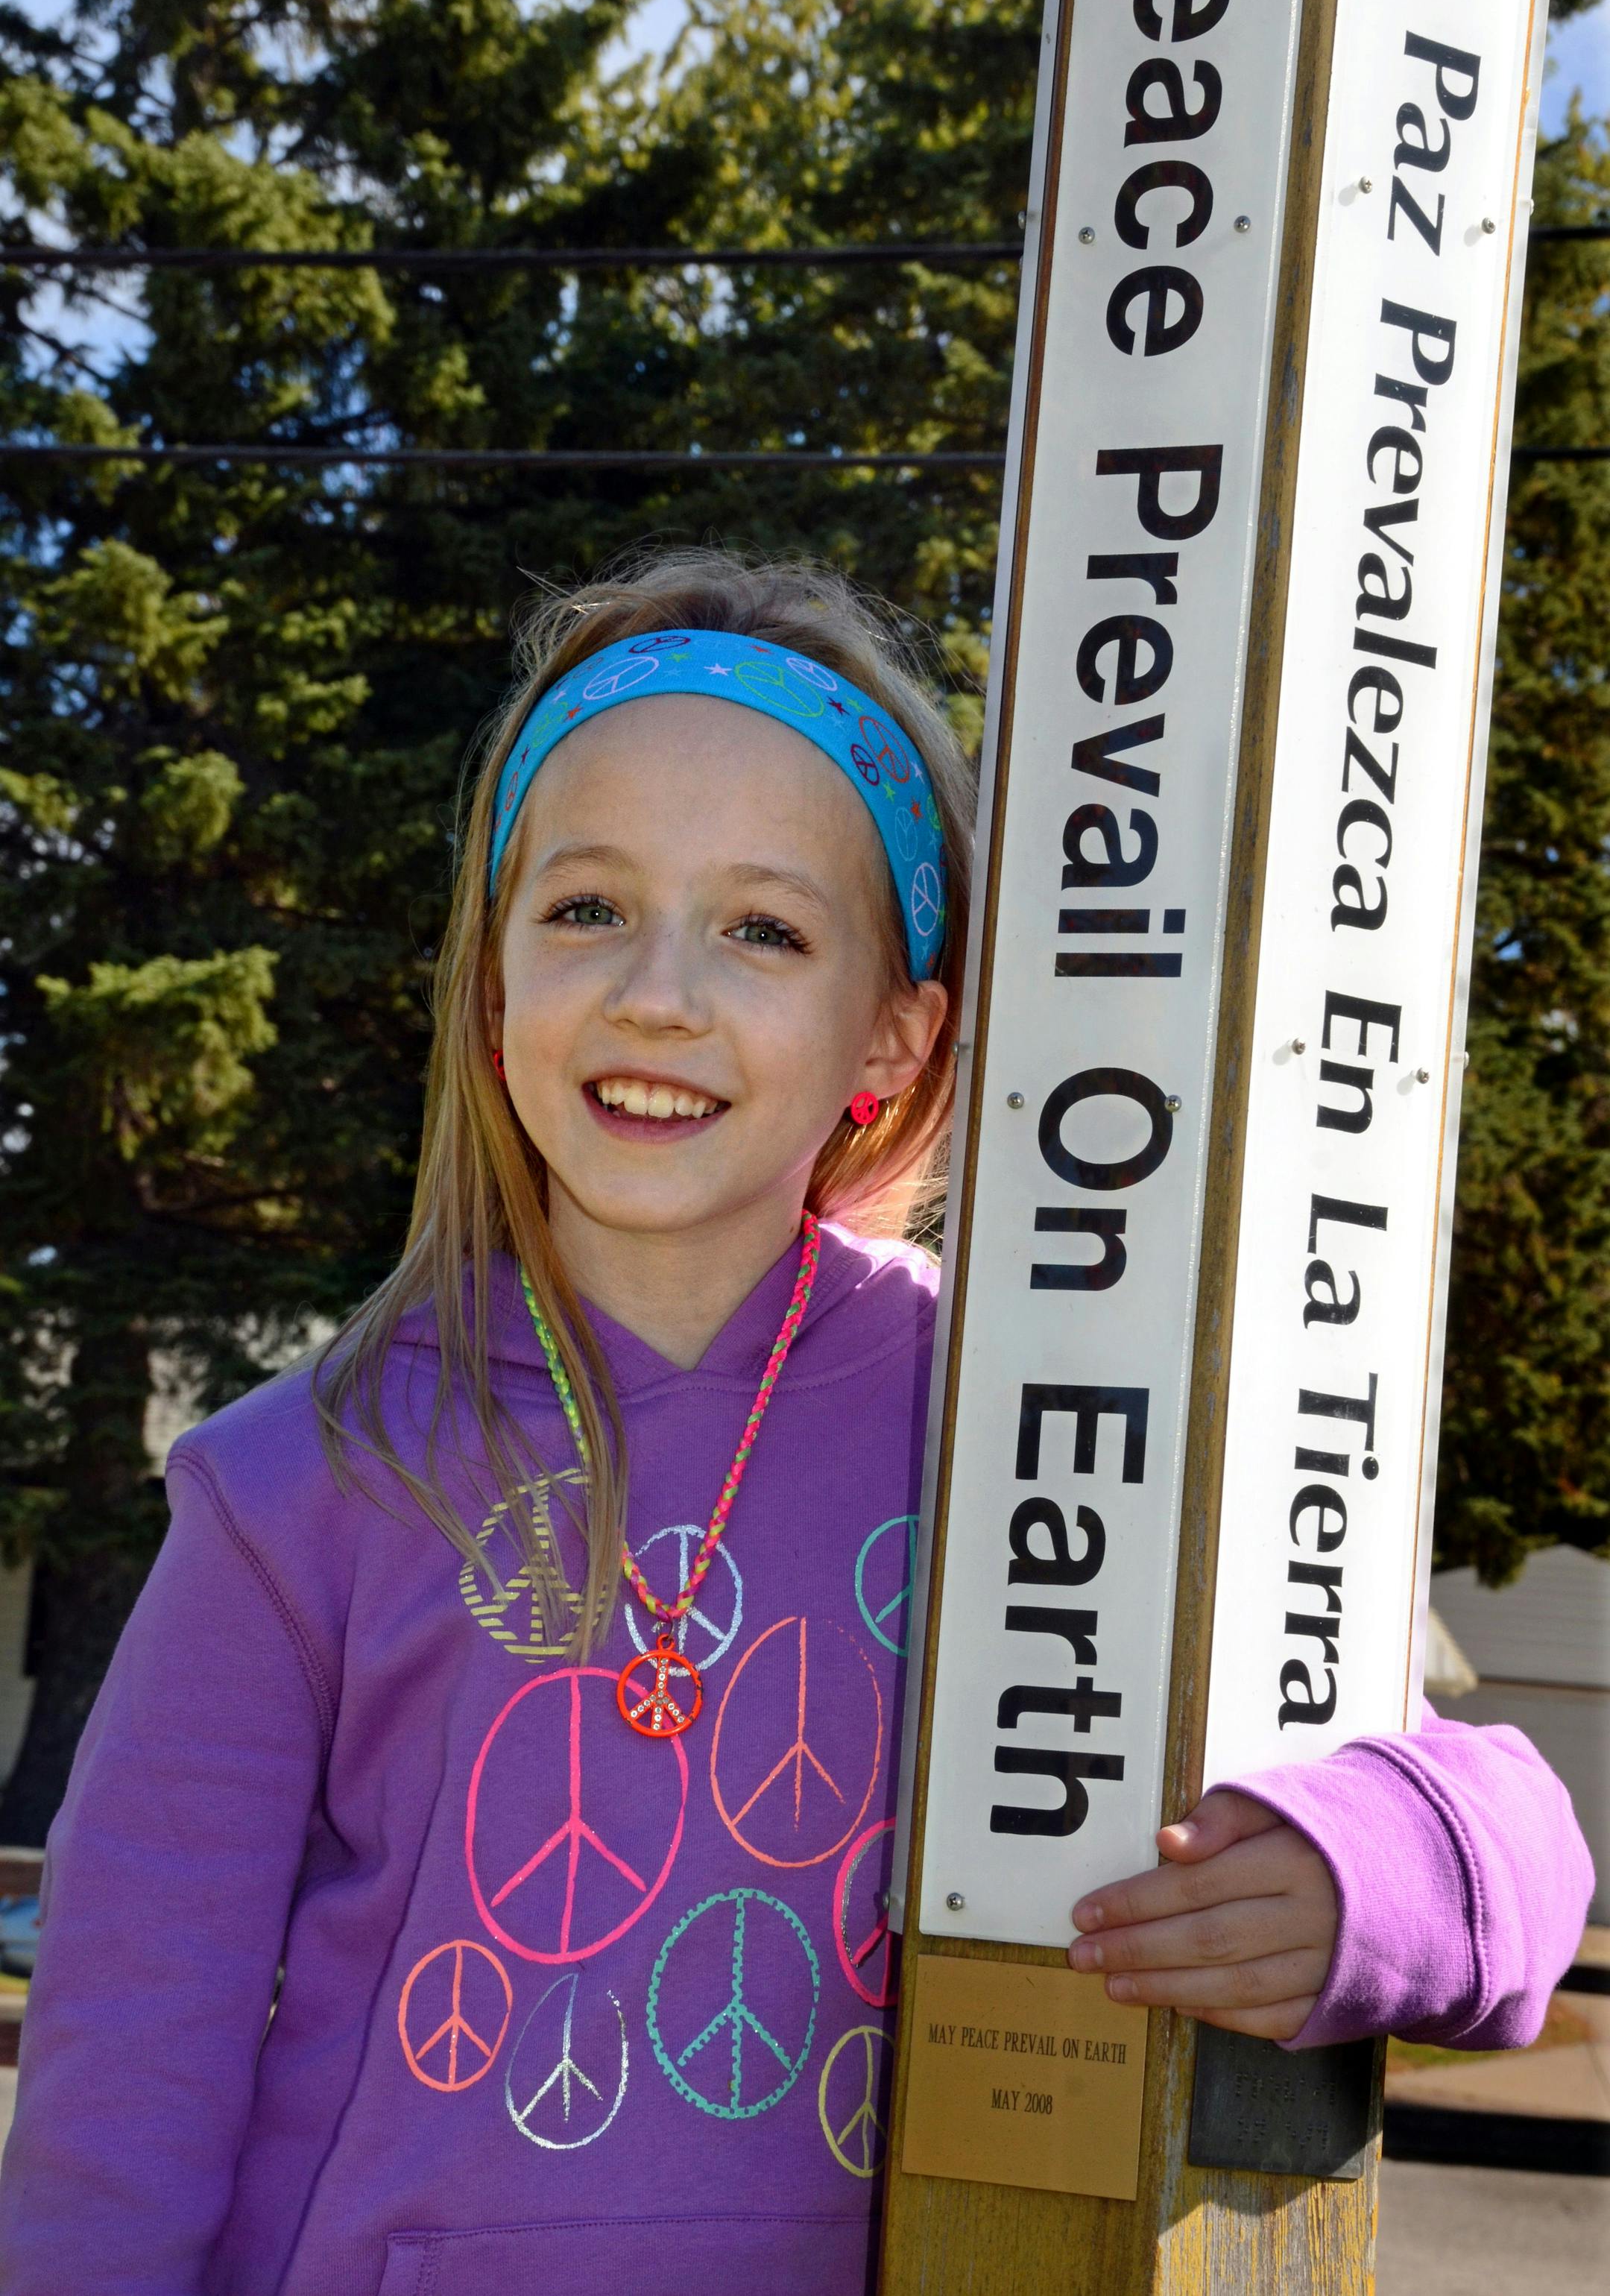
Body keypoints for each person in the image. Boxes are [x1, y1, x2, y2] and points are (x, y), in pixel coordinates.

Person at [0, 550, 1591, 2295]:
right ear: (490, 980)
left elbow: (1502, 1825)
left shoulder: (1033, 1416)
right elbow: (124, 2061)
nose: (658, 991)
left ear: (896, 1035)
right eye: (587, 906)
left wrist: (1369, 1877)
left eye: (763, 926)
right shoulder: (302, 1479)